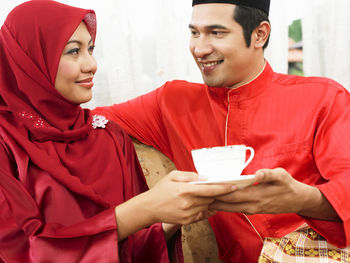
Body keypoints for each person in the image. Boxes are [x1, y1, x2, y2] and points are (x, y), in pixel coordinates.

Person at [93, 0, 350, 262]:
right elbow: (83, 122)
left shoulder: (323, 97)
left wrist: (301, 199)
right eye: (195, 33)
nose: (200, 49)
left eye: (217, 33)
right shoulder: (172, 103)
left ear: (259, 34)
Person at [0, 1, 236, 262]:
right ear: (28, 59)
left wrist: (172, 216)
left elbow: (135, 249)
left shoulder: (109, 135)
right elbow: (23, 251)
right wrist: (143, 209)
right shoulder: (6, 142)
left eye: (90, 49)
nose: (91, 65)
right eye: (73, 51)